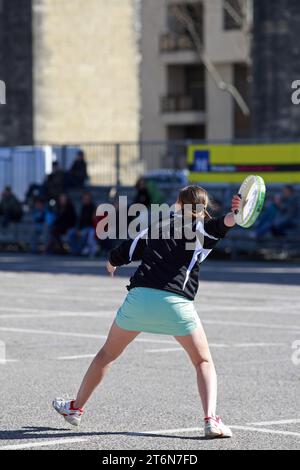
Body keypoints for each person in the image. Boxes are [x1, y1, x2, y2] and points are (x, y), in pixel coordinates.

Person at [53, 185, 239, 439]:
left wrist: (111, 262)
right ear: (203, 208)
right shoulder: (202, 230)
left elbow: (125, 251)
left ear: (178, 204)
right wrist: (237, 212)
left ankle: (76, 408)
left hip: (139, 300)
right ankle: (210, 420)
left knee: (107, 354)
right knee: (203, 362)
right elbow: (224, 223)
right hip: (176, 304)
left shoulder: (157, 227)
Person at [68, 192, 98, 256]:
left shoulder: (93, 208)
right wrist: (78, 229)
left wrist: (83, 230)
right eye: (84, 199)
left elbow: (93, 221)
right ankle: (75, 251)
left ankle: (87, 250)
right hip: (82, 228)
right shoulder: (83, 207)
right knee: (71, 232)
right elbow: (80, 221)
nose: (85, 200)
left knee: (86, 233)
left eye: (87, 199)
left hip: (90, 228)